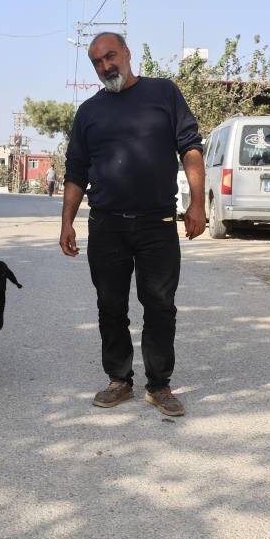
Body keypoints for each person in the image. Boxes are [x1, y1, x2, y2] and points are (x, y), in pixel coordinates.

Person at [59, 32, 206, 417]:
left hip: (156, 224)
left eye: (110, 56)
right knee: (110, 305)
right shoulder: (89, 112)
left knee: (159, 305)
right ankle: (119, 380)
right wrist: (67, 223)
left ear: (127, 53)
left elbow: (190, 147)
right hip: (107, 225)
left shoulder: (164, 93)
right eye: (97, 62)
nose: (105, 66)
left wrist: (196, 202)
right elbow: (75, 170)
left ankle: (159, 385)